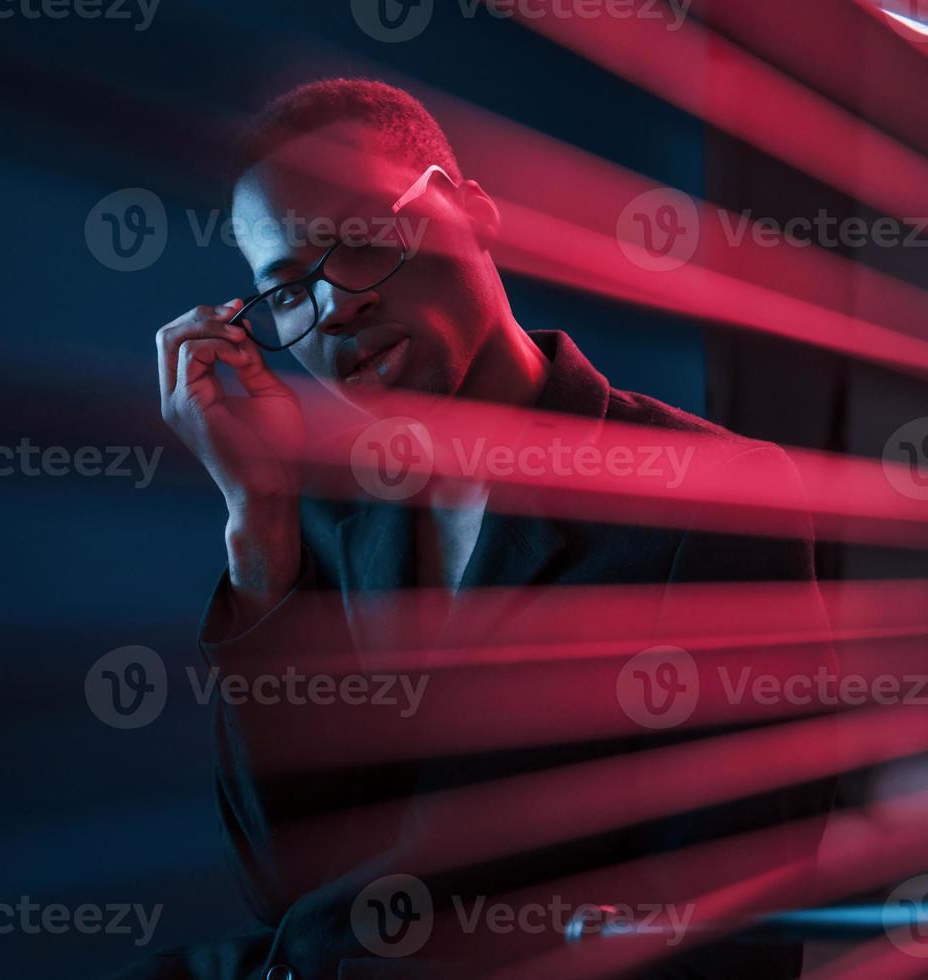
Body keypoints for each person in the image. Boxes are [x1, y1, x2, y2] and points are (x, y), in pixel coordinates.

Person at [139, 78, 836, 980]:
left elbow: (730, 936)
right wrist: (256, 522)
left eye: (362, 240)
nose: (335, 306)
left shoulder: (712, 499)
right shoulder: (322, 514)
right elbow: (285, 888)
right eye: (287, 290)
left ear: (472, 211)